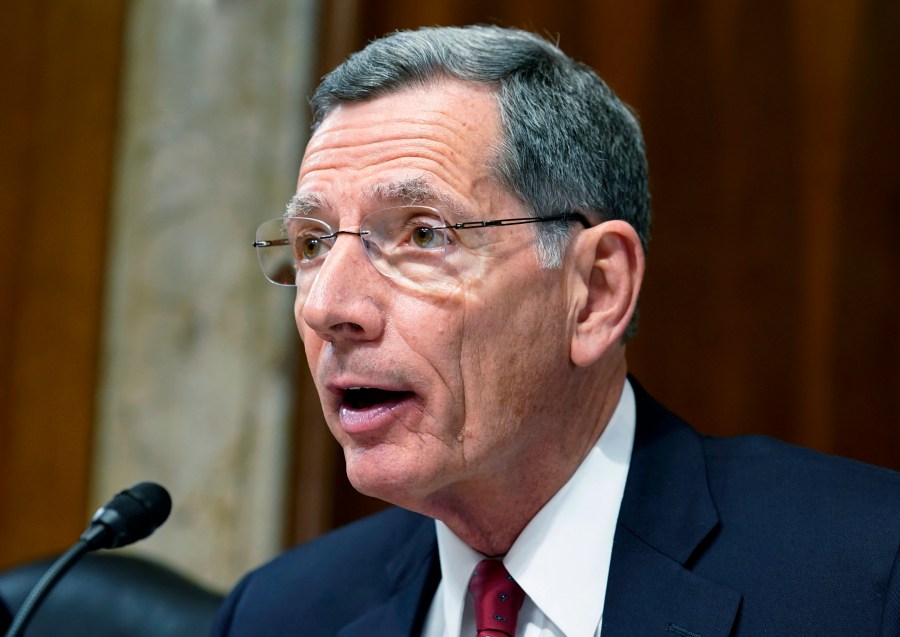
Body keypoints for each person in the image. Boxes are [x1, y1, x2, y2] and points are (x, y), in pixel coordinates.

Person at [212, 24, 900, 636]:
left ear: (595, 290)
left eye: (422, 234)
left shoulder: (866, 577)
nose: (326, 305)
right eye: (311, 243)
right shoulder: (278, 612)